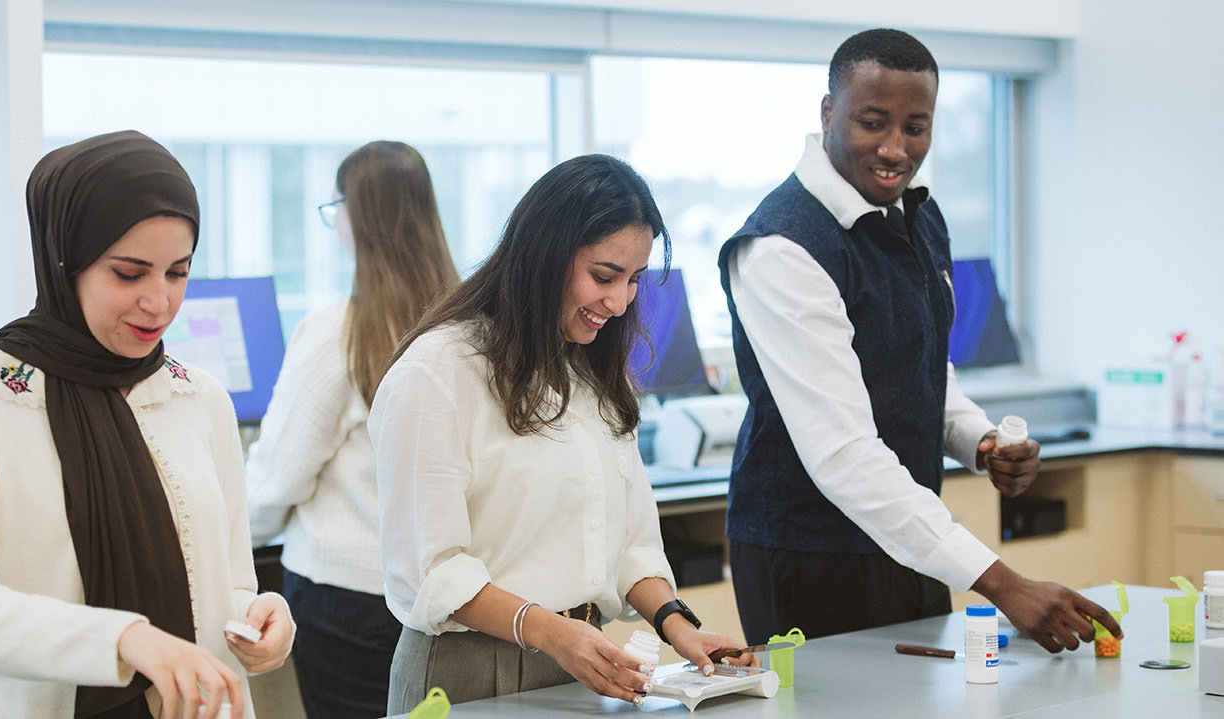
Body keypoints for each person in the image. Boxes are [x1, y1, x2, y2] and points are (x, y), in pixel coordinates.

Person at [718, 29, 1122, 653]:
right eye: (872, 122)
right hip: (808, 550)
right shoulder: (783, 248)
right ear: (828, 113)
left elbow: (926, 362)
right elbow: (844, 453)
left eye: (916, 127)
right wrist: (1004, 583)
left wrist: (979, 441)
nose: (895, 149)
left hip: (910, 535)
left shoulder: (918, 215)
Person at [370, 154, 752, 715]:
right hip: (474, 667)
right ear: (543, 255)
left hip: (580, 661)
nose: (620, 303)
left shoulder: (592, 372)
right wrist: (550, 633)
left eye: (633, 281)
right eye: (603, 276)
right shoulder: (439, 371)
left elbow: (627, 544)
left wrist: (680, 628)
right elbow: (431, 572)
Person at [0, 130, 293, 719]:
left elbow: (230, 585)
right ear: (64, 262)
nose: (159, 303)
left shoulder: (199, 398)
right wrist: (123, 639)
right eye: (129, 274)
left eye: (177, 273)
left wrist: (265, 617)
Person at [245, 141, 459, 719]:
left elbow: (274, 482)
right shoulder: (471, 324)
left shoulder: (339, 331)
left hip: (345, 604)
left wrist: (226, 536)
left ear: (356, 216)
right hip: (447, 601)